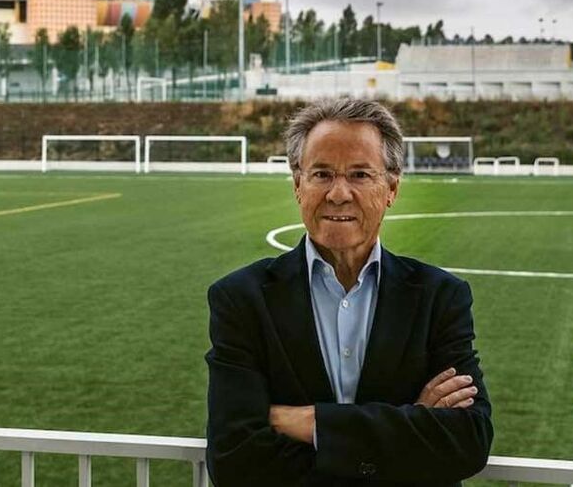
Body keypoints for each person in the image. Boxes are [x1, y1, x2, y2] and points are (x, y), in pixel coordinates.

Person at [205, 98, 493, 486]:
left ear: (391, 187)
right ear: (298, 185)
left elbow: (467, 440)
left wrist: (314, 423)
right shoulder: (241, 299)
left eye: (359, 174)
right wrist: (410, 424)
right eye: (322, 174)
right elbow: (234, 459)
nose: (338, 193)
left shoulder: (440, 298)